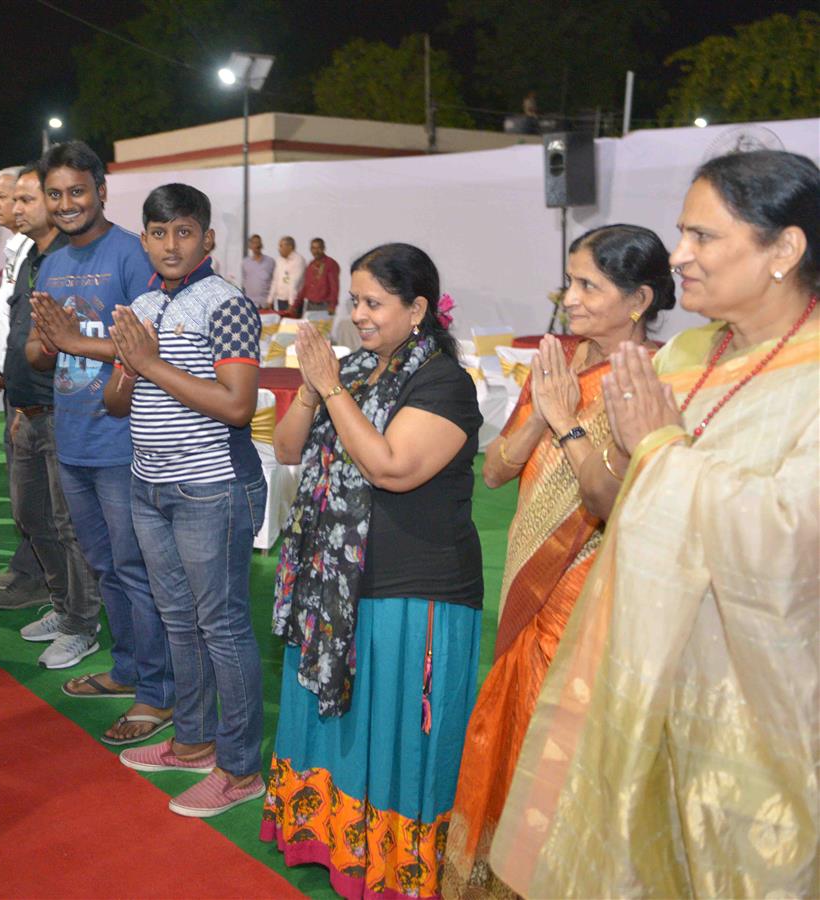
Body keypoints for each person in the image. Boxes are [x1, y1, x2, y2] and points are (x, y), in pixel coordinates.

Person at [490, 150, 819, 898]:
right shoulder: (684, 355)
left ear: (785, 250)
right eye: (681, 233)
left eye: (704, 236)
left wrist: (661, 447)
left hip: (748, 697)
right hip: (639, 667)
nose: (680, 256)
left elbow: (789, 536)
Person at [442, 224, 675, 898]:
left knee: (560, 741)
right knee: (510, 722)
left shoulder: (653, 377)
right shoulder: (560, 366)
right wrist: (545, 411)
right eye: (569, 281)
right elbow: (495, 471)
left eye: (586, 286)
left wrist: (568, 422)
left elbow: (614, 500)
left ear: (638, 300)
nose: (567, 298)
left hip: (586, 588)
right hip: (525, 579)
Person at [260, 243, 484, 899]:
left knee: (396, 732)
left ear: (417, 309)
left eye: (372, 302)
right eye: (353, 301)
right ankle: (330, 839)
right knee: (344, 729)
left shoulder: (444, 382)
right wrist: (313, 388)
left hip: (415, 587)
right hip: (336, 586)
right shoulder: (352, 370)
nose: (357, 314)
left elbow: (391, 466)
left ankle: (396, 864)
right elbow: (287, 447)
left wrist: (331, 387)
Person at [104, 184, 268, 817]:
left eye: (184, 232)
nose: (171, 244)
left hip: (212, 487)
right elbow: (119, 402)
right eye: (158, 232)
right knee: (178, 619)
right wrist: (127, 365)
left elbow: (236, 405)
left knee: (221, 627)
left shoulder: (226, 304)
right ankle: (194, 741)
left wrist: (149, 362)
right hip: (148, 483)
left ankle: (239, 769)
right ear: (143, 238)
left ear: (207, 239)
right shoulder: (143, 303)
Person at [26, 140, 174, 745]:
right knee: (107, 565)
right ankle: (129, 669)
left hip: (123, 439)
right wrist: (46, 341)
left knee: (139, 570)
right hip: (73, 435)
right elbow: (39, 351)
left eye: (77, 191)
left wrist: (71, 340)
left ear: (101, 190)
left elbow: (154, 348)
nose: (66, 204)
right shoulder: (52, 263)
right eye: (55, 194)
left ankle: (160, 693)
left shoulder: (133, 256)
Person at [5, 164, 99, 660]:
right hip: (29, 411)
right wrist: (21, 406)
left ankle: (84, 623)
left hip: (65, 413)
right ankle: (64, 605)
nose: (17, 209)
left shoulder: (72, 259)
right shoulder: (31, 258)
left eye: (27, 199)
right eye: (15, 200)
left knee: (70, 524)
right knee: (31, 515)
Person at [0, 165, 45, 596]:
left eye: (11, 197)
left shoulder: (38, 251)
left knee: (36, 491)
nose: (1, 204)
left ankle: (42, 575)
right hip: (13, 378)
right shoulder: (16, 247)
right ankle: (29, 564)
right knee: (22, 484)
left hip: (31, 384)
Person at [292, 237, 340, 318]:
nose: (316, 251)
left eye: (319, 248)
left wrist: (332, 305)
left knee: (322, 330)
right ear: (310, 249)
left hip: (325, 306)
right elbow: (305, 287)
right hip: (310, 305)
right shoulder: (311, 265)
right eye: (313, 248)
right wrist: (295, 304)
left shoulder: (330, 264)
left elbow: (334, 287)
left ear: (323, 248)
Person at [265, 235, 305, 313]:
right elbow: (275, 281)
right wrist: (270, 300)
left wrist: (292, 304)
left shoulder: (298, 260)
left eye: (281, 246)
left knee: (293, 324)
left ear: (290, 247)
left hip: (294, 302)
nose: (279, 249)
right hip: (281, 300)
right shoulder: (279, 260)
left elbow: (294, 283)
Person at [241, 233, 275, 303]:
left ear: (261, 245)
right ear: (250, 246)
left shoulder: (270, 261)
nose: (256, 245)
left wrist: (270, 300)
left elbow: (275, 281)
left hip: (265, 302)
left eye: (258, 242)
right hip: (250, 302)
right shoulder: (245, 263)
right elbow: (244, 280)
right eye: (254, 243)